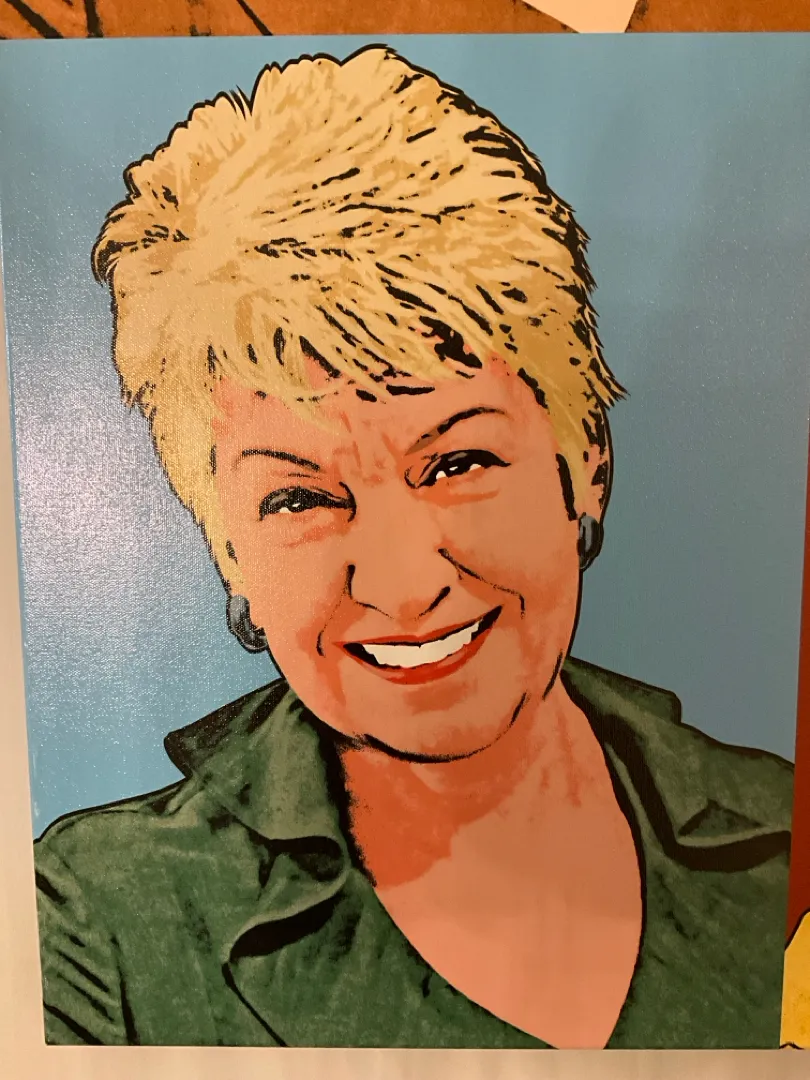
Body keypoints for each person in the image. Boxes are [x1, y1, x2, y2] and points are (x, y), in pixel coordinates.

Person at [34, 45, 792, 1049]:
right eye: (301, 498)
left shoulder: (783, 832)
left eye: (456, 462)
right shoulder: (93, 930)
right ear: (229, 552)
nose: (401, 584)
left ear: (585, 463)